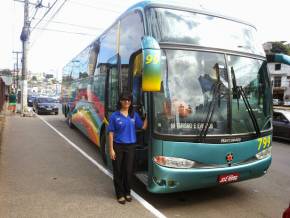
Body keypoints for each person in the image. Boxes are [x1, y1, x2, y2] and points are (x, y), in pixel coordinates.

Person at [108, 92, 147, 204]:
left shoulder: (133, 115)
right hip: (118, 146)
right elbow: (110, 133)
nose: (127, 102)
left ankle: (127, 192)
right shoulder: (115, 116)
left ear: (131, 102)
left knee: (128, 171)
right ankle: (120, 194)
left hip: (130, 147)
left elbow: (142, 127)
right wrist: (111, 149)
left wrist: (149, 116)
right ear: (120, 101)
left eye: (129, 100)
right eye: (124, 100)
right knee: (118, 170)